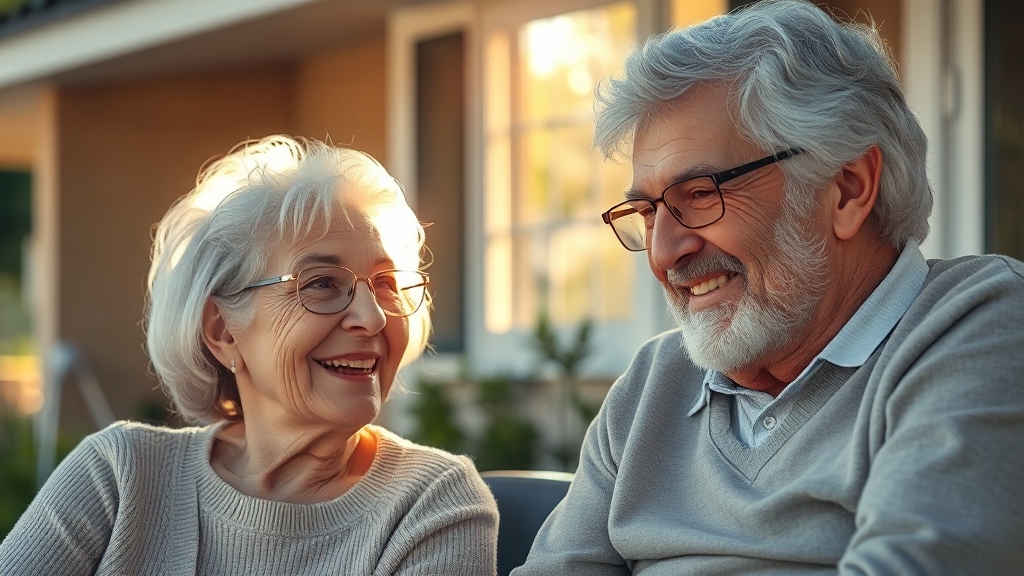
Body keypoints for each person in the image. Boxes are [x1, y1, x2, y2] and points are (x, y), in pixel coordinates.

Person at [512, 1, 1024, 574]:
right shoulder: (655, 383)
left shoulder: (980, 328)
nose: (663, 252)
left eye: (700, 195)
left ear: (848, 189)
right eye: (648, 212)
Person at [0, 135, 498, 575]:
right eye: (322, 283)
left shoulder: (432, 507)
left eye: (386, 283)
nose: (372, 318)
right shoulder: (120, 474)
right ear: (223, 331)